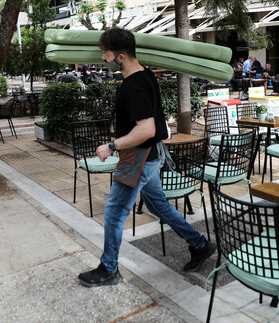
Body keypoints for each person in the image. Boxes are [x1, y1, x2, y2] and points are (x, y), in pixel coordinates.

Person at [78, 28, 216, 287]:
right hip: (151, 157)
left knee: (115, 212)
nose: (102, 60)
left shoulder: (135, 85)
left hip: (138, 158)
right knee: (158, 206)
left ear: (120, 57)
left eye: (105, 54)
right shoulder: (146, 75)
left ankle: (109, 269)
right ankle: (199, 244)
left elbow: (147, 129)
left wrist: (111, 146)